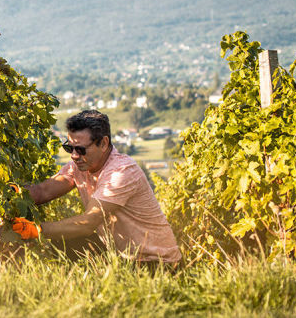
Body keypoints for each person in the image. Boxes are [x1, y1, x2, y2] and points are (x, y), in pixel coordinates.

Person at [11, 110, 181, 266]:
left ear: (104, 143)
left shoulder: (121, 172)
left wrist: (36, 229)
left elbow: (87, 223)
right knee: (63, 239)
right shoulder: (79, 166)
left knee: (64, 235)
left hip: (156, 261)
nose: (74, 156)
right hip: (121, 255)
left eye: (80, 149)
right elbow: (43, 191)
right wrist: (9, 194)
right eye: (69, 148)